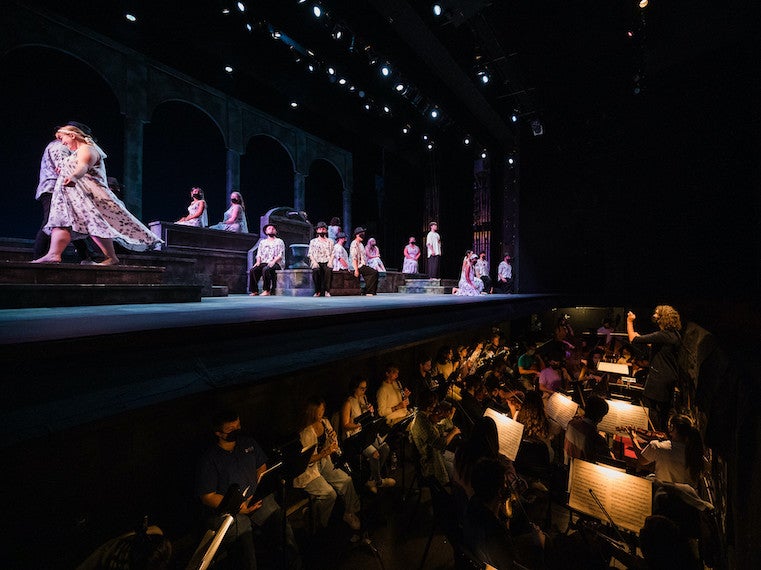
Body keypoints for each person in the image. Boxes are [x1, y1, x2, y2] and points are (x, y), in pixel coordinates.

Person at [33, 122, 160, 265]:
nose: (62, 143)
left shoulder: (87, 149)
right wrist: (64, 169)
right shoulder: (77, 151)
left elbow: (83, 166)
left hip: (89, 195)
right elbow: (71, 165)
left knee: (95, 224)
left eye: (62, 139)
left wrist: (74, 176)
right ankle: (53, 254)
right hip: (71, 196)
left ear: (72, 135)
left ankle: (111, 257)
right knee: (61, 222)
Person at [196, 409, 300, 570]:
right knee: (245, 545)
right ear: (219, 433)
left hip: (256, 498)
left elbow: (261, 466)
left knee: (282, 525)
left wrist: (258, 488)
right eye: (231, 429)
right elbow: (207, 496)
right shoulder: (210, 459)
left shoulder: (248, 443)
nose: (237, 430)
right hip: (230, 511)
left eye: (238, 426)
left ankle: (294, 564)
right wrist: (237, 506)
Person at [293, 397, 361, 531]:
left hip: (324, 462)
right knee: (330, 494)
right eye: (318, 412)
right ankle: (321, 523)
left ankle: (349, 512)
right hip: (309, 469)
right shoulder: (306, 432)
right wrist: (324, 453)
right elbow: (306, 460)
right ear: (311, 413)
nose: (321, 414)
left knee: (346, 480)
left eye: (323, 410)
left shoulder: (325, 422)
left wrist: (333, 440)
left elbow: (330, 446)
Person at [627, 305, 682, 430]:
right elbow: (663, 349)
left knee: (650, 410)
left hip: (659, 378)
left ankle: (653, 437)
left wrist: (630, 321)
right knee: (664, 412)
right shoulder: (675, 335)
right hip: (670, 377)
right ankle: (662, 435)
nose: (654, 316)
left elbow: (632, 339)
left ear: (662, 319)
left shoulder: (662, 335)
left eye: (657, 314)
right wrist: (646, 340)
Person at [340, 377, 396, 494]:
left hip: (365, 431)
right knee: (375, 454)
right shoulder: (348, 402)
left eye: (365, 388)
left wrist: (370, 412)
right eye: (361, 388)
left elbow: (369, 417)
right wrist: (359, 423)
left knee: (385, 448)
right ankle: (379, 481)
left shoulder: (363, 398)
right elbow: (345, 424)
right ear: (355, 388)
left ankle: (371, 479)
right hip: (355, 436)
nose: (364, 391)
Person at [629, 414, 705, 488]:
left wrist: (633, 438)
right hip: (686, 497)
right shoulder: (695, 451)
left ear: (672, 428)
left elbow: (642, 460)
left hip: (663, 494)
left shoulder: (658, 446)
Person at [409, 390, 460, 485]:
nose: (436, 406)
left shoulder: (423, 416)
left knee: (459, 459)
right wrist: (453, 432)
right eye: (434, 403)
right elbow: (440, 444)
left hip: (436, 455)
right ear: (429, 405)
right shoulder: (422, 421)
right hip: (430, 462)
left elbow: (437, 429)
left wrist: (447, 417)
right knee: (458, 473)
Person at [33, 134, 71, 259]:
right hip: (53, 189)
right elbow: (64, 167)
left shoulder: (57, 146)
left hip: (55, 188)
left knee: (65, 222)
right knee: (51, 222)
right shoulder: (60, 147)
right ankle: (39, 255)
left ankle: (86, 255)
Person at [564, 396, 612, 464]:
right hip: (583, 470)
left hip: (568, 465)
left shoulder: (571, 424)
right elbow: (608, 462)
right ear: (600, 418)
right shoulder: (597, 439)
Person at [249, 224, 285, 296]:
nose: (271, 229)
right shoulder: (263, 242)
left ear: (275, 231)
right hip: (264, 261)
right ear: (265, 231)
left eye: (273, 228)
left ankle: (267, 290)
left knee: (266, 269)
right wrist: (258, 261)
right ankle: (254, 290)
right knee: (253, 270)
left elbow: (280, 255)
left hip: (276, 263)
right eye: (269, 228)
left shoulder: (279, 241)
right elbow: (259, 253)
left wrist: (273, 261)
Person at [349, 226, 378, 296]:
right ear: (357, 235)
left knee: (375, 272)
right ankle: (369, 291)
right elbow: (354, 257)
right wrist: (356, 270)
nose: (363, 235)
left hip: (362, 265)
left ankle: (369, 291)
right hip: (356, 265)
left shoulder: (361, 244)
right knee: (373, 273)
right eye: (361, 233)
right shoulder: (354, 243)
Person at [308, 221, 334, 297]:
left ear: (326, 230)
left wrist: (330, 262)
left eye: (323, 229)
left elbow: (333, 253)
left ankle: (327, 291)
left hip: (327, 260)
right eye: (320, 229)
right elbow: (310, 253)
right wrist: (314, 262)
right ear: (317, 231)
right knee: (316, 271)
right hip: (317, 260)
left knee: (328, 270)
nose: (322, 231)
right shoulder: (313, 241)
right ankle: (317, 291)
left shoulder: (330, 241)